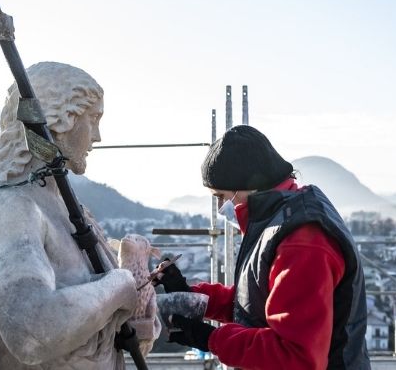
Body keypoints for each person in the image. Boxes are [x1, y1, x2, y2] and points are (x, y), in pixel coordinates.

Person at [0, 62, 149, 369]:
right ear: (58, 120)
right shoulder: (6, 208)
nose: (97, 135)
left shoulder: (66, 206)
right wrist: (119, 285)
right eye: (93, 119)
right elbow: (32, 331)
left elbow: (97, 320)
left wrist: (138, 314)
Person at [156, 125, 370, 369]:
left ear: (245, 185)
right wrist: (192, 297)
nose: (220, 208)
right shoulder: (282, 222)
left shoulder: (302, 242)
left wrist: (211, 338)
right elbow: (255, 303)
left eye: (220, 196)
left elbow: (296, 356)